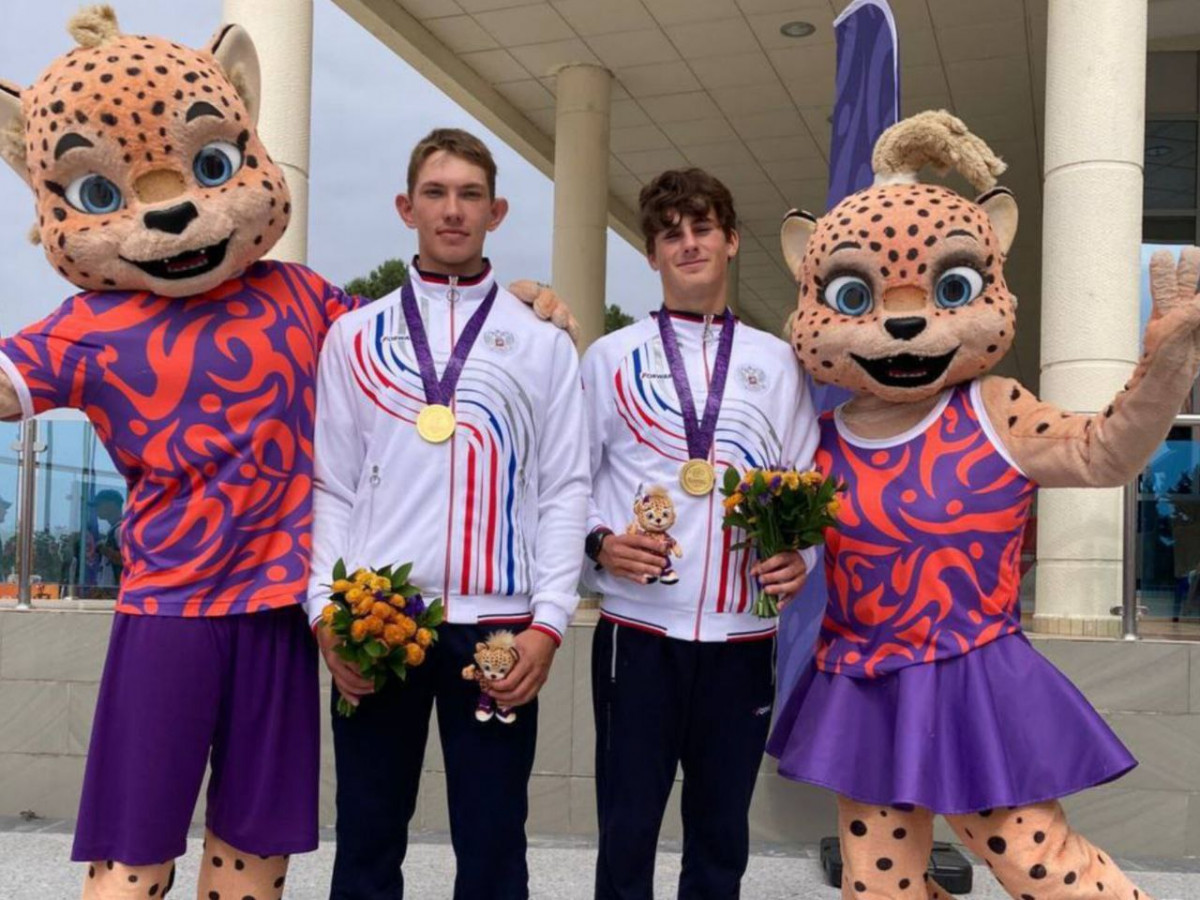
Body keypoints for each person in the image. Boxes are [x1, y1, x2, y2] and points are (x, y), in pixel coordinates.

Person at [306, 127, 589, 900]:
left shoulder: (541, 342)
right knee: (366, 837)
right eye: (436, 193)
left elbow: (565, 488)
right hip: (379, 621)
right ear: (407, 208)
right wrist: (325, 613)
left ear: (497, 212)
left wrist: (548, 623)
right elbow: (331, 487)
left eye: (470, 195)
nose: (453, 210)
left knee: (494, 845)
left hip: (498, 629)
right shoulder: (354, 338)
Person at [579, 168, 818, 900]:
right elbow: (565, 486)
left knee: (720, 837)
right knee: (627, 829)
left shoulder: (778, 362)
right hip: (637, 635)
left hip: (743, 640)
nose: (688, 244)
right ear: (651, 253)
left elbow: (805, 481)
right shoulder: (610, 357)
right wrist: (599, 545)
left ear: (731, 240)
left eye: (702, 228)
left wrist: (801, 556)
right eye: (670, 233)